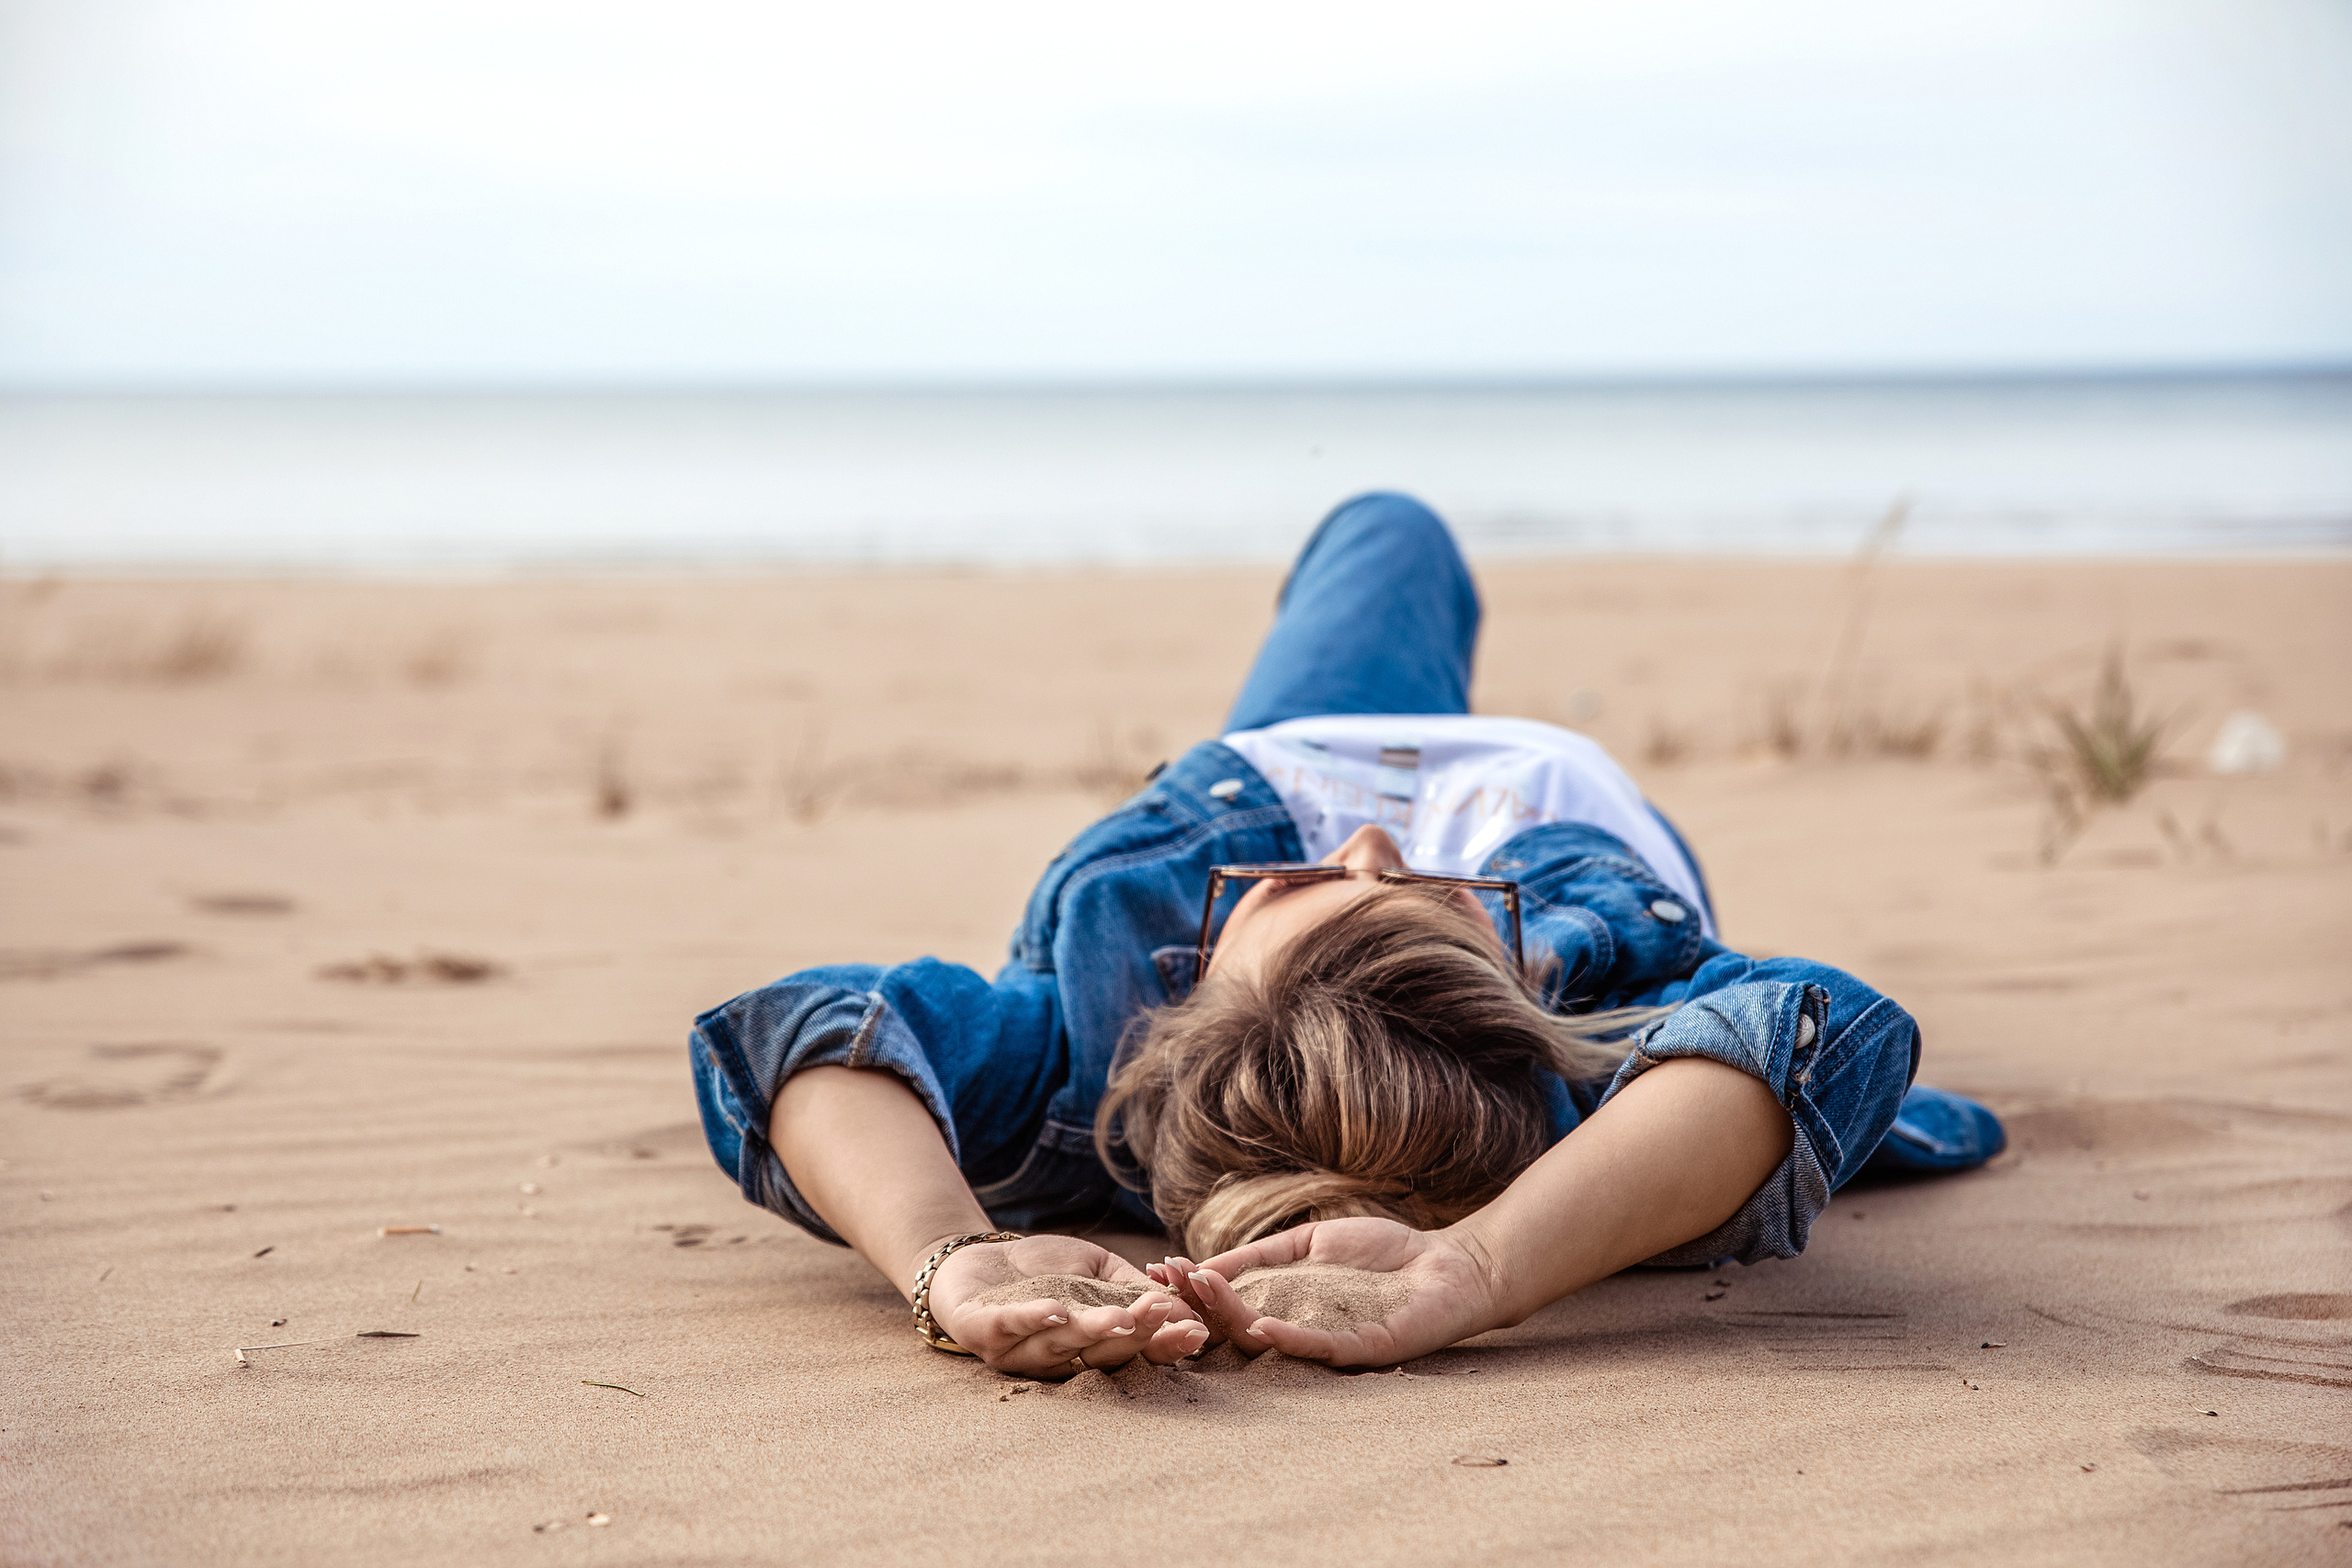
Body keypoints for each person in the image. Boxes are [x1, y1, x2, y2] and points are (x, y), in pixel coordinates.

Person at [689, 492, 2005, 1380]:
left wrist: (953, 1256)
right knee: (1396, 523)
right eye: (1433, 897)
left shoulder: (1083, 1050)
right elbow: (1818, 1039)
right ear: (1505, 991)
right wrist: (1483, 1262)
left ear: (1191, 988)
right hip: (1535, 798)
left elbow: (811, 1033)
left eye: (1296, 886)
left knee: (1387, 530)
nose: (1374, 840)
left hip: (1315, 741)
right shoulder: (1591, 1061)